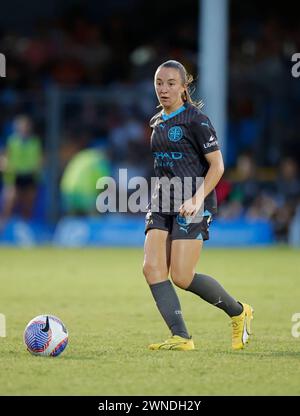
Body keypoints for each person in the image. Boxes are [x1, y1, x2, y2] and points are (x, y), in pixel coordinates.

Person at [143, 60, 254, 351]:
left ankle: (239, 311)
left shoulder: (196, 120)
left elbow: (217, 165)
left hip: (193, 200)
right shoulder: (157, 122)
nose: (163, 89)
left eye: (170, 83)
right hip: (163, 201)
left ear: (183, 87)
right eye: (158, 83)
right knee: (152, 268)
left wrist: (196, 199)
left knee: (181, 276)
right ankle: (181, 337)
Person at [0, 115, 43, 223]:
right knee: (9, 203)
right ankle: (3, 228)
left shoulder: (35, 142)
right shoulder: (11, 141)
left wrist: (37, 168)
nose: (24, 129)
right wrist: (5, 165)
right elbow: (5, 156)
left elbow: (39, 159)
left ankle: (25, 228)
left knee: (28, 205)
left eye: (26, 126)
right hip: (14, 176)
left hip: (29, 176)